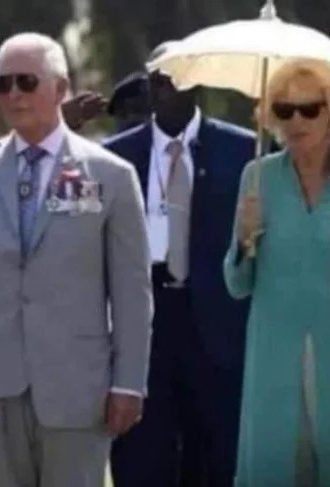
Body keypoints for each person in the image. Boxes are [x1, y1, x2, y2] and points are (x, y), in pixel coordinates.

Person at [0, 32, 153, 487]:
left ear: (60, 89)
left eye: (26, 82)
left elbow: (131, 291)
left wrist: (128, 382)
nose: (13, 94)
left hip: (76, 389)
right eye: (3, 84)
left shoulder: (111, 175)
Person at [103, 41, 255, 487]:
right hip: (145, 324)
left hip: (216, 327)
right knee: (143, 459)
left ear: (197, 84)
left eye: (174, 78)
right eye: (156, 80)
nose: (164, 88)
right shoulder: (116, 157)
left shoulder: (244, 151)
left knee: (216, 461)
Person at [224, 59, 330, 487]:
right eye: (285, 110)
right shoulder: (258, 177)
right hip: (273, 358)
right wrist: (244, 240)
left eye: (310, 109)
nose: (297, 121)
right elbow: (236, 285)